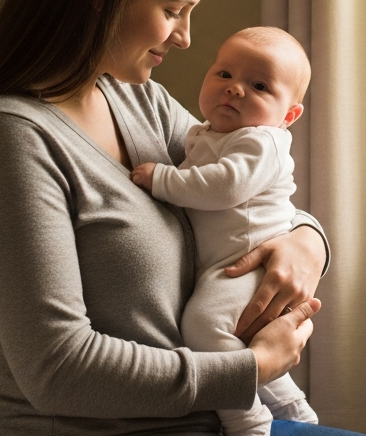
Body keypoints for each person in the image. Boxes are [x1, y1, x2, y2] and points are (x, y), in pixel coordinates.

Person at [0, 0, 344, 436]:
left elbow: (251, 186)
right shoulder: (8, 142)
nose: (184, 38)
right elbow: (57, 370)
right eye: (174, 9)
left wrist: (308, 242)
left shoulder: (142, 103)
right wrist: (251, 368)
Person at [130, 27, 319, 435]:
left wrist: (162, 180)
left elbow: (224, 185)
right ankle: (292, 407)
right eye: (225, 75)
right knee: (236, 341)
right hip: (226, 262)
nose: (235, 90)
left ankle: (248, 420)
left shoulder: (261, 140)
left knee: (203, 325)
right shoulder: (206, 133)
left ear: (288, 115)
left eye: (259, 85)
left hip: (246, 263)